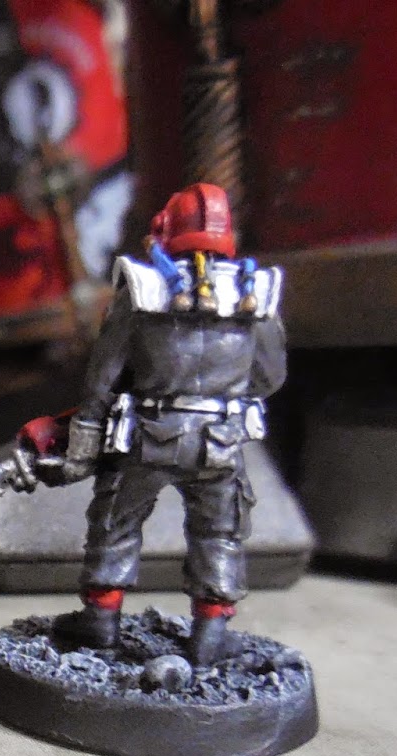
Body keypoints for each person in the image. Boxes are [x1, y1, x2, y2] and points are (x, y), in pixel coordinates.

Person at [51, 182, 288, 665]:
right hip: (221, 438)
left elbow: (104, 374)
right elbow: (269, 377)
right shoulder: (255, 291)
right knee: (219, 531)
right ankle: (211, 633)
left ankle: (100, 620)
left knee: (117, 521)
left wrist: (86, 436)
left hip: (148, 432)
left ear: (166, 229)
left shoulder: (142, 287)